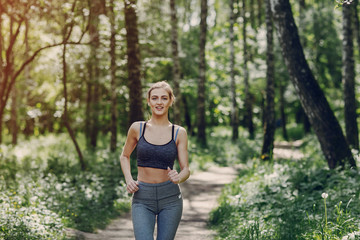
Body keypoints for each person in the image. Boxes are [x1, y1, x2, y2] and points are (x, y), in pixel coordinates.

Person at [120, 81, 190, 240]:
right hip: (142, 198)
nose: (159, 102)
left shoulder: (179, 132)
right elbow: (124, 156)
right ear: (148, 101)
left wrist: (179, 176)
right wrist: (129, 179)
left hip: (170, 198)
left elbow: (186, 168)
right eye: (155, 98)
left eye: (164, 98)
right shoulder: (138, 128)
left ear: (171, 101)